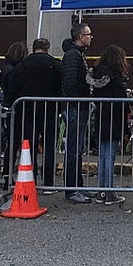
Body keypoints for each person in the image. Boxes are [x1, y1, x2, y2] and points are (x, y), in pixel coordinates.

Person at [7, 38, 61, 191]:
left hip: (27, 111)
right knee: (49, 146)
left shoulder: (22, 65)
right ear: (47, 49)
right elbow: (60, 86)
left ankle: (31, 179)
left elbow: (14, 87)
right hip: (50, 110)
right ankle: (49, 182)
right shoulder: (55, 65)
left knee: (29, 148)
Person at [88, 44, 130, 205]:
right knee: (109, 156)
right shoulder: (114, 76)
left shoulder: (97, 74)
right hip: (113, 117)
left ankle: (102, 190)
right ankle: (109, 191)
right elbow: (121, 98)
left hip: (101, 115)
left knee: (103, 155)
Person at [60, 22, 94, 203]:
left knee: (77, 148)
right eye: (88, 35)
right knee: (73, 148)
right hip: (75, 106)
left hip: (78, 106)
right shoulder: (73, 56)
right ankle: (71, 188)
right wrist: (80, 96)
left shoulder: (77, 54)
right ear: (80, 37)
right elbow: (70, 82)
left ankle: (77, 186)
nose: (90, 37)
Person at [0, 41, 28, 167]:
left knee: (12, 142)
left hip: (9, 105)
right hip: (15, 107)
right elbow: (13, 88)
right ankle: (8, 171)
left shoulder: (5, 68)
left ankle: (7, 172)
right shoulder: (14, 71)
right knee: (14, 142)